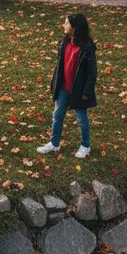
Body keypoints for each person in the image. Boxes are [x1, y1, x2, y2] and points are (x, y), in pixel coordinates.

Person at [37, 13, 97, 158]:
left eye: (66, 23)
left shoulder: (87, 48)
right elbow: (59, 66)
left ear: (75, 28)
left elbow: (92, 73)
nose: (63, 25)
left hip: (78, 90)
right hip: (64, 87)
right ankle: (54, 143)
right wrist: (55, 83)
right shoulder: (64, 43)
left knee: (82, 119)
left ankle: (85, 145)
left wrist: (86, 92)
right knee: (57, 115)